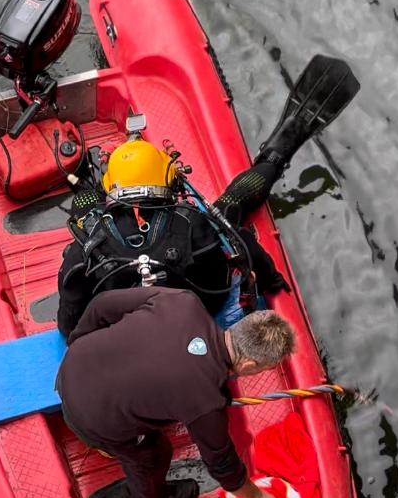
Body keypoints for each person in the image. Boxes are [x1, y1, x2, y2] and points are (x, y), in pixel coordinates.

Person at [56, 55, 360, 337]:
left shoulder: (87, 243)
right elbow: (243, 245)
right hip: (198, 321)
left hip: (125, 334)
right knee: (228, 206)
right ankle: (276, 156)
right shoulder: (197, 225)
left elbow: (67, 325)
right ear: (166, 178)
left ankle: (80, 176)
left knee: (86, 210)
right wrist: (271, 280)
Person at [56, 286, 297, 498]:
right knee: (154, 455)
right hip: (88, 419)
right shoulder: (206, 399)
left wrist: (79, 343)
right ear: (248, 365)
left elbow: (102, 303)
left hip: (70, 367)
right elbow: (222, 463)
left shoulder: (184, 302)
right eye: (262, 368)